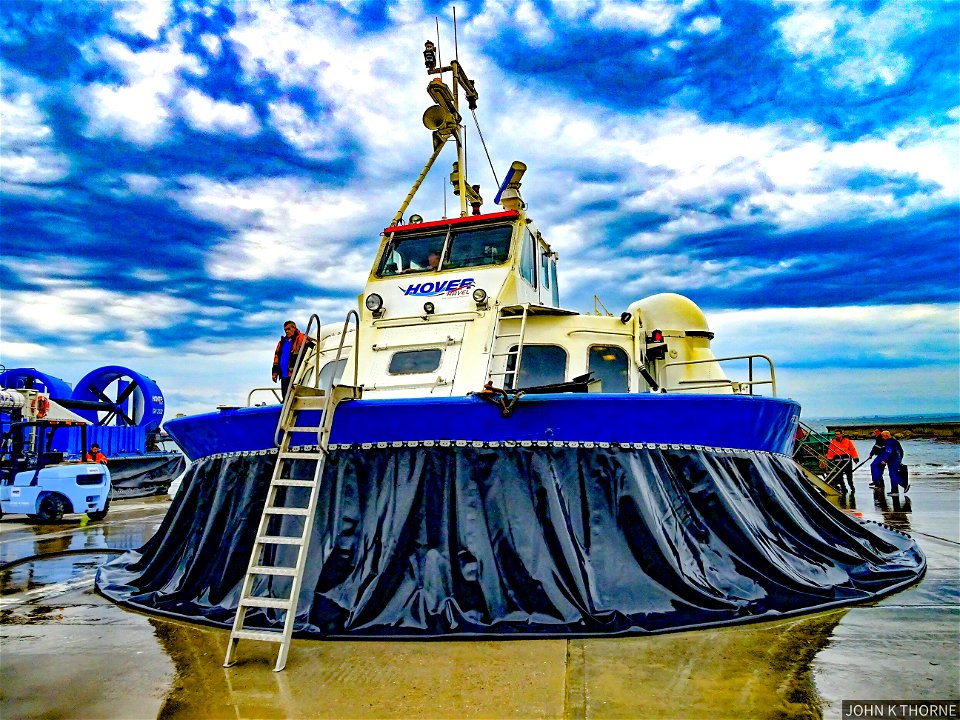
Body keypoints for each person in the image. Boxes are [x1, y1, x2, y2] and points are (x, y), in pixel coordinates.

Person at [271, 320, 312, 397]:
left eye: (288, 329)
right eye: (285, 330)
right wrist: (274, 373)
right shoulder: (282, 342)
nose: (286, 331)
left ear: (294, 328)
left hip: (294, 375)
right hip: (284, 376)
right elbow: (276, 357)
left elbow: (313, 347)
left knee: (292, 398)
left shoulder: (301, 338)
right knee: (285, 398)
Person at [876, 430, 908, 495]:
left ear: (886, 436)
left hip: (893, 461)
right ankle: (895, 490)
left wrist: (885, 460)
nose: (882, 438)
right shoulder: (895, 441)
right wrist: (900, 459)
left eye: (882, 436)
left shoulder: (888, 443)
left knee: (893, 475)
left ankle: (902, 485)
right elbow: (901, 451)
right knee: (894, 474)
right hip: (896, 460)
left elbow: (888, 452)